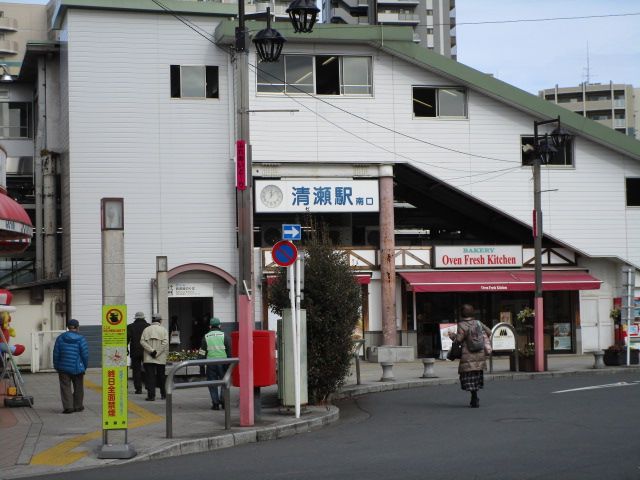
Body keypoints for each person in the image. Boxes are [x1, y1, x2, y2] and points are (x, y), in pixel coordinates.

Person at [448, 304, 492, 408]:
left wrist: (452, 336)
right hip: (480, 355)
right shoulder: (478, 323)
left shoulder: (462, 325)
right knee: (476, 377)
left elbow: (458, 340)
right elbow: (489, 332)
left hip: (468, 356)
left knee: (468, 377)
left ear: (462, 314)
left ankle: (474, 396)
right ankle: (475, 396)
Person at [53, 319, 89, 414]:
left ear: (68, 327)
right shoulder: (81, 339)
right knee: (78, 387)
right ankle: (78, 406)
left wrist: (56, 365)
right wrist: (84, 367)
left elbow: (56, 354)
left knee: (65, 387)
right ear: (77, 327)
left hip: (63, 367)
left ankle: (68, 407)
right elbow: (85, 355)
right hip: (78, 368)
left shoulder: (60, 338)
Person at [199, 317, 230, 410]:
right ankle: (224, 402)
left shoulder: (206, 337)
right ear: (220, 325)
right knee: (224, 382)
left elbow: (202, 352)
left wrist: (201, 366)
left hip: (210, 363)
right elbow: (229, 351)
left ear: (210, 326)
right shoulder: (225, 336)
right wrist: (230, 364)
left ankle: (215, 403)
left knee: (212, 384)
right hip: (223, 362)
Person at [140, 313, 169, 401]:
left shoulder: (146, 329)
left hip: (149, 357)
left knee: (150, 377)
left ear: (152, 320)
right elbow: (165, 343)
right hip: (160, 358)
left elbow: (142, 341)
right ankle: (163, 394)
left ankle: (151, 396)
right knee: (161, 376)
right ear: (160, 320)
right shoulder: (163, 330)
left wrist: (151, 351)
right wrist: (157, 352)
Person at [127, 311, 149, 394]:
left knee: (136, 370)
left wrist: (126, 349)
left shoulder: (130, 326)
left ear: (135, 318)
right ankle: (148, 386)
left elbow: (127, 339)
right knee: (148, 369)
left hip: (135, 351)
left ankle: (138, 388)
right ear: (144, 318)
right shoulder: (148, 326)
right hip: (146, 351)